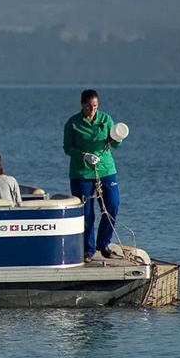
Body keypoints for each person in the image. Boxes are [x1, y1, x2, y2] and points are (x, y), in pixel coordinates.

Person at [63, 89, 124, 263]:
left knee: (112, 204)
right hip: (81, 172)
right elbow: (67, 148)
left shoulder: (105, 119)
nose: (92, 110)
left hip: (105, 169)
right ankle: (87, 250)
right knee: (87, 213)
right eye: (89, 106)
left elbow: (116, 144)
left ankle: (103, 243)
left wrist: (118, 137)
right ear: (82, 105)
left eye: (95, 106)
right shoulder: (73, 123)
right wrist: (84, 155)